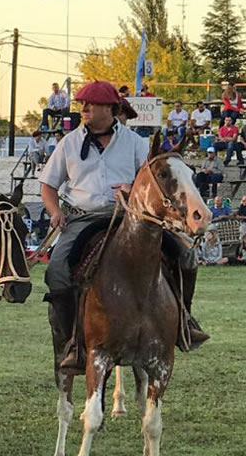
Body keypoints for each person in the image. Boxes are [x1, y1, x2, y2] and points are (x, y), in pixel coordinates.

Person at [38, 80, 206, 374]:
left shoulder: (136, 143)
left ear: (111, 109)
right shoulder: (68, 143)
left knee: (187, 256)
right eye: (82, 104)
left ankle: (185, 321)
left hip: (132, 215)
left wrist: (132, 187)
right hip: (84, 218)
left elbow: (155, 180)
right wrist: (54, 213)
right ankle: (72, 342)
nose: (84, 108)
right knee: (57, 272)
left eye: (91, 104)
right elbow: (47, 185)